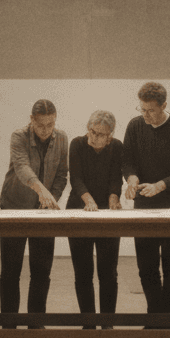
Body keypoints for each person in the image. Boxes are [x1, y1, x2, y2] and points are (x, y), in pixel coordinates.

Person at [122, 82, 170, 338]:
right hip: (144, 207)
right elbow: (127, 160)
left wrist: (161, 185)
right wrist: (131, 178)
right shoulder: (134, 125)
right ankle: (156, 320)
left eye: (151, 110)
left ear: (164, 106)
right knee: (147, 267)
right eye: (142, 109)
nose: (146, 115)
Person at [0, 100, 69, 326]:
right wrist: (42, 190)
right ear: (31, 120)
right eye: (41, 125)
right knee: (11, 269)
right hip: (13, 206)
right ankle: (9, 323)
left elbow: (61, 175)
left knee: (41, 270)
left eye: (50, 124)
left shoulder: (62, 138)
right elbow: (21, 167)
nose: (46, 130)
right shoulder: (18, 136)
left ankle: (36, 322)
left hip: (44, 212)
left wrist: (50, 200)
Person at [65, 110, 124, 327]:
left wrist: (114, 196)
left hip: (108, 213)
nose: (95, 137)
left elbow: (116, 177)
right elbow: (76, 178)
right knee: (83, 271)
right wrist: (88, 200)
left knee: (108, 271)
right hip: (79, 209)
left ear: (110, 136)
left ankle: (107, 321)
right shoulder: (77, 144)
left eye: (101, 134)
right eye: (92, 131)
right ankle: (88, 321)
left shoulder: (117, 147)